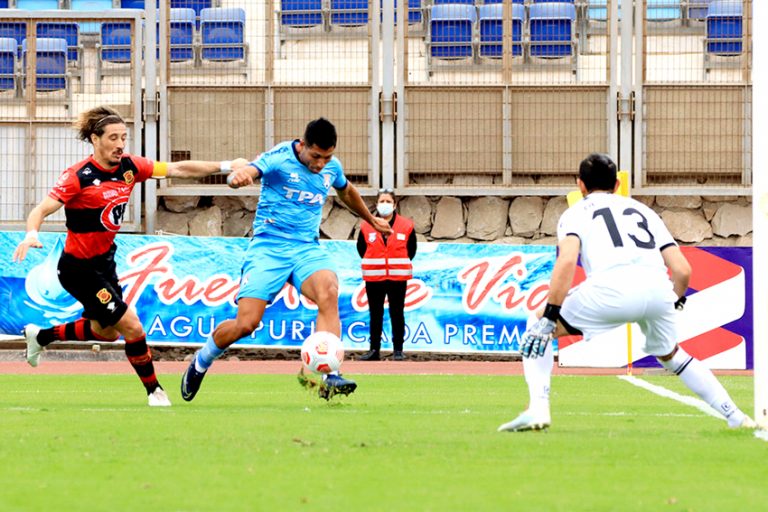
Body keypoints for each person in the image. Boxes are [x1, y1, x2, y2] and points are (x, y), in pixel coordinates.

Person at [498, 153, 757, 432]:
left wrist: (550, 314)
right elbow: (682, 270)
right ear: (618, 185)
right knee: (673, 355)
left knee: (536, 324)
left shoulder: (575, 213)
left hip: (610, 291)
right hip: (658, 291)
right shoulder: (644, 212)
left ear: (580, 185)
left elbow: (567, 260)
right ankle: (735, 416)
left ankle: (537, 407)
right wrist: (676, 301)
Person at [12, 105, 244, 407]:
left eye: (124, 137)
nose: (120, 144)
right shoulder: (78, 176)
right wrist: (32, 234)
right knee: (132, 326)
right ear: (95, 139)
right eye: (113, 138)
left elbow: (177, 169)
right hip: (77, 269)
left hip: (105, 263)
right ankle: (155, 392)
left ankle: (41, 336)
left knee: (105, 332)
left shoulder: (130, 167)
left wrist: (226, 165)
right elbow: (41, 209)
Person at [180, 117, 392, 401]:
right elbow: (249, 171)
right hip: (269, 248)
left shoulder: (332, 166)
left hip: (306, 248)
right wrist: (240, 177)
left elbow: (346, 190)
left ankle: (330, 374)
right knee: (246, 323)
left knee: (328, 291)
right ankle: (202, 360)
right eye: (316, 156)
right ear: (302, 145)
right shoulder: (279, 157)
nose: (320, 164)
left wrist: (370, 219)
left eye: (326, 157)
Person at [356, 189, 417, 361]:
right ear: (376, 204)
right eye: (381, 201)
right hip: (374, 277)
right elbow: (362, 249)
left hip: (397, 278)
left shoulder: (406, 226)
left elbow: (411, 250)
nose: (384, 205)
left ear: (395, 204)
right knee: (375, 314)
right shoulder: (366, 226)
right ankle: (374, 350)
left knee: (397, 313)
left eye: (388, 201)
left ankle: (398, 350)